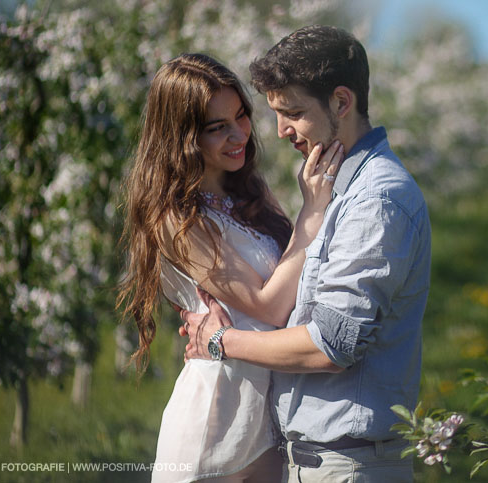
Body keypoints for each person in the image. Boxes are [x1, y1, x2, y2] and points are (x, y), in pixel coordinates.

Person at [180, 26, 432, 482]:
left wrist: (219, 341)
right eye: (275, 114)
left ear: (341, 102)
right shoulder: (338, 187)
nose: (280, 132)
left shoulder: (376, 199)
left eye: (293, 112)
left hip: (346, 467)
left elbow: (332, 345)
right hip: (316, 461)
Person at [117, 53, 343, 483]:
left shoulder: (249, 190)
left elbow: (296, 279)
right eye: (217, 127)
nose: (239, 134)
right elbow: (268, 305)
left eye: (240, 116)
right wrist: (312, 211)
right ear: (182, 137)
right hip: (215, 423)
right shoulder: (175, 216)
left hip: (268, 416)